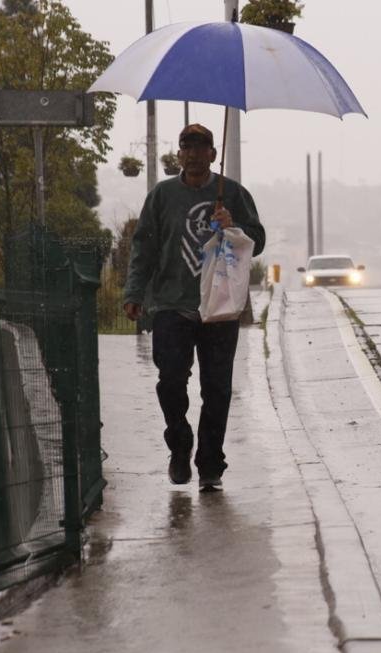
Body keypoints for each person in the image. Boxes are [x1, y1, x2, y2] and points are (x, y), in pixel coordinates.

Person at [123, 123, 265, 491]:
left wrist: (233, 225)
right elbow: (144, 247)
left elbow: (258, 241)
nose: (194, 154)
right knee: (170, 380)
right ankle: (179, 444)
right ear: (179, 154)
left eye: (202, 148)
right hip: (172, 304)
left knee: (216, 389)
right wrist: (134, 292)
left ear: (213, 154)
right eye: (188, 147)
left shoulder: (232, 193)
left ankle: (210, 465)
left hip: (219, 305)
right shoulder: (162, 196)